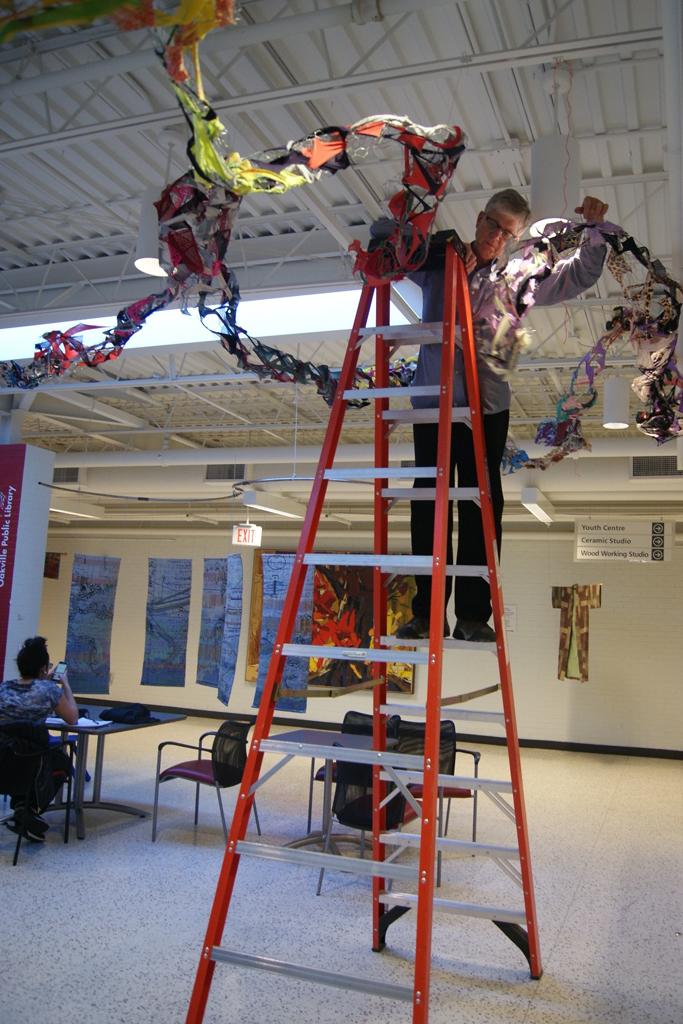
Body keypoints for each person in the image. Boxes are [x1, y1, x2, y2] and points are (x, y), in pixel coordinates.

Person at [388, 188, 609, 642]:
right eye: (493, 225)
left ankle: (472, 616)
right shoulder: (441, 263)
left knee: (482, 507)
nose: (496, 237)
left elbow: (579, 275)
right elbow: (385, 242)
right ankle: (426, 614)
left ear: (514, 237)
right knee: (428, 503)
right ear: (479, 218)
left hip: (487, 407)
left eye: (508, 232)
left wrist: (595, 231)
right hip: (434, 404)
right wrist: (439, 243)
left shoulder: (517, 279)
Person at [0, 636, 78, 841]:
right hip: (33, 764)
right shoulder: (48, 690)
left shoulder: (3, 688)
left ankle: (21, 807)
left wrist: (42, 678)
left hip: (4, 762)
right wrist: (65, 685)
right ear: (44, 668)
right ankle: (30, 808)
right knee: (62, 762)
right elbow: (72, 718)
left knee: (20, 760)